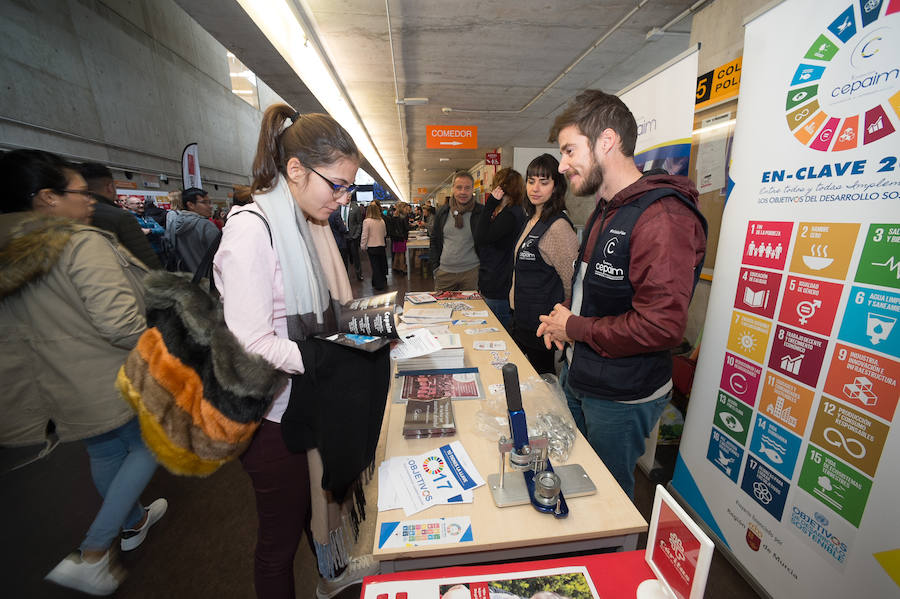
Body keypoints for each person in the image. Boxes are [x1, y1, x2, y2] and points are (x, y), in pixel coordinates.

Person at [212, 104, 380, 599]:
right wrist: (329, 357)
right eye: (338, 185)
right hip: (272, 419)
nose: (344, 198)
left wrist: (364, 328)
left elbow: (328, 310)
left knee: (312, 506)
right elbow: (252, 341)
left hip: (307, 406)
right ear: (296, 170)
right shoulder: (252, 230)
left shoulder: (308, 225)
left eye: (350, 186)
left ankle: (329, 572)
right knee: (277, 543)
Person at [0, 149, 165, 596]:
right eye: (80, 192)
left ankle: (132, 520)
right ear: (47, 198)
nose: (91, 200)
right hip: (108, 370)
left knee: (108, 452)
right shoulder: (80, 242)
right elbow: (118, 322)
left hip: (52, 382)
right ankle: (93, 553)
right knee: (151, 443)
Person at [537, 90, 707, 499]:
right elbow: (602, 291)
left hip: (621, 396)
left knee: (606, 500)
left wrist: (575, 327)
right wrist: (566, 322)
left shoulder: (662, 217)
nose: (562, 166)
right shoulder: (607, 208)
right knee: (575, 484)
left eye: (570, 150)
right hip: (582, 377)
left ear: (607, 141)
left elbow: (661, 326)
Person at [510, 155, 577, 374]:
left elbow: (571, 283)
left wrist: (561, 320)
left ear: (556, 187)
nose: (535, 188)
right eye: (531, 181)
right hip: (522, 319)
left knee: (543, 385)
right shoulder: (530, 220)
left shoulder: (558, 227)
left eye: (544, 182)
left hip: (542, 325)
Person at [78, 162, 161, 269]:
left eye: (141, 203)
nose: (141, 205)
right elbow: (147, 260)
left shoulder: (73, 216)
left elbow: (160, 229)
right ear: (110, 187)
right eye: (137, 203)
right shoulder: (121, 217)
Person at [473, 167, 526, 329]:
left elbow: (480, 237)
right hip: (498, 282)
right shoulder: (511, 212)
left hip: (498, 286)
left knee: (497, 333)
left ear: (499, 188)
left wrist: (490, 204)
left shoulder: (509, 215)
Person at [429, 171, 483, 291]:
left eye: (467, 188)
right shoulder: (442, 212)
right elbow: (434, 240)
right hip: (444, 273)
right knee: (443, 309)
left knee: (471, 309)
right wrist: (435, 268)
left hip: (472, 274)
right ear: (453, 188)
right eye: (459, 187)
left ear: (472, 189)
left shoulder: (481, 212)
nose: (463, 192)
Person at [165, 187, 221, 275]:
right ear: (190, 205)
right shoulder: (206, 225)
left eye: (210, 202)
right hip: (209, 278)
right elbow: (220, 255)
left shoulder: (174, 224)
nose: (210, 206)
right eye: (204, 202)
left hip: (185, 277)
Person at [360, 202, 388, 291]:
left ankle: (378, 284)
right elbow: (385, 234)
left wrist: (362, 246)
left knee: (375, 266)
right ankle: (381, 281)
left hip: (372, 246)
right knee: (381, 264)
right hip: (381, 245)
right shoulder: (382, 221)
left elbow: (364, 235)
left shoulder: (367, 221)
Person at [344, 193, 364, 280]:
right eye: (346, 196)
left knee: (356, 256)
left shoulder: (355, 208)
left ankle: (359, 274)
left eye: (349, 196)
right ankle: (344, 277)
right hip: (343, 236)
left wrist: (356, 235)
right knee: (343, 257)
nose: (347, 198)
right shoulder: (338, 207)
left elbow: (359, 223)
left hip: (352, 237)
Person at [390, 201, 410, 274]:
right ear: (403, 208)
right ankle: (402, 268)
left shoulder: (394, 215)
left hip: (395, 237)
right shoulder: (403, 217)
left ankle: (395, 266)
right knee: (402, 253)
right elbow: (406, 228)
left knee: (397, 253)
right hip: (402, 237)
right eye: (405, 208)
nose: (406, 209)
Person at [327, 205, 350, 270]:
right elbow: (343, 229)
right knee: (343, 264)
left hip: (331, 242)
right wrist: (344, 225)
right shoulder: (336, 214)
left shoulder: (324, 214)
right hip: (340, 243)